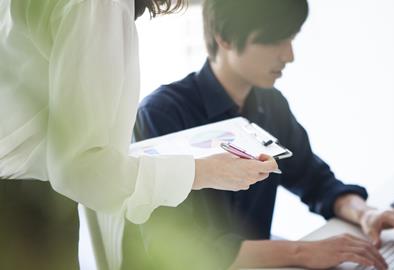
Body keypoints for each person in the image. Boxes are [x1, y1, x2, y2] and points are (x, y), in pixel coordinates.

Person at [133, 0, 394, 269]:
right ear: (225, 38)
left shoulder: (270, 104)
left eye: (291, 38)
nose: (289, 55)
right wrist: (301, 252)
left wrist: (365, 214)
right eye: (275, 40)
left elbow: (316, 180)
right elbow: (181, 247)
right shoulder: (162, 113)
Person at [0, 0, 278, 269]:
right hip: (21, 213)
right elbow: (81, 167)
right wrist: (204, 171)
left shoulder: (273, 104)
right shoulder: (100, 6)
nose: (288, 55)